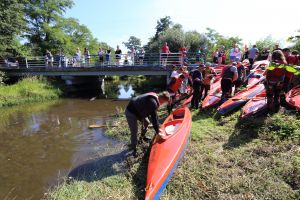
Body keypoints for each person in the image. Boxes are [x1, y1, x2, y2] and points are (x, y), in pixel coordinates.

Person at [125, 91, 171, 156]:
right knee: (134, 130)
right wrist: (158, 132)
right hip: (131, 111)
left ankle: (142, 137)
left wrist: (158, 128)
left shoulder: (155, 97)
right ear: (162, 99)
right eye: (163, 102)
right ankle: (133, 148)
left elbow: (155, 116)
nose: (162, 104)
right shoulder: (153, 103)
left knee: (147, 122)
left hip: (138, 110)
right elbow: (154, 119)